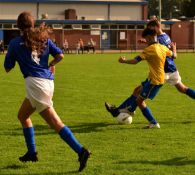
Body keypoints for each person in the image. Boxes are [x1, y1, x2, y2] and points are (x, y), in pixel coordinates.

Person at [4, 12, 90, 172]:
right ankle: (31, 153)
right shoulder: (44, 38)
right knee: (23, 116)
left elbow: (7, 68)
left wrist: (17, 58)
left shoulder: (15, 43)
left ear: (18, 26)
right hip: (47, 82)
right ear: (33, 23)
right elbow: (60, 55)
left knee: (55, 123)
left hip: (35, 84)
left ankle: (81, 151)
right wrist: (51, 63)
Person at [105, 28, 177, 129]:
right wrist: (174, 49)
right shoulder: (162, 47)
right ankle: (119, 111)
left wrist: (123, 61)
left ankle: (154, 123)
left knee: (139, 101)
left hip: (155, 81)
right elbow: (174, 56)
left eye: (146, 39)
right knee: (137, 90)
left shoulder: (149, 50)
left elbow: (135, 61)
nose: (145, 41)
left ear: (150, 37)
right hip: (153, 78)